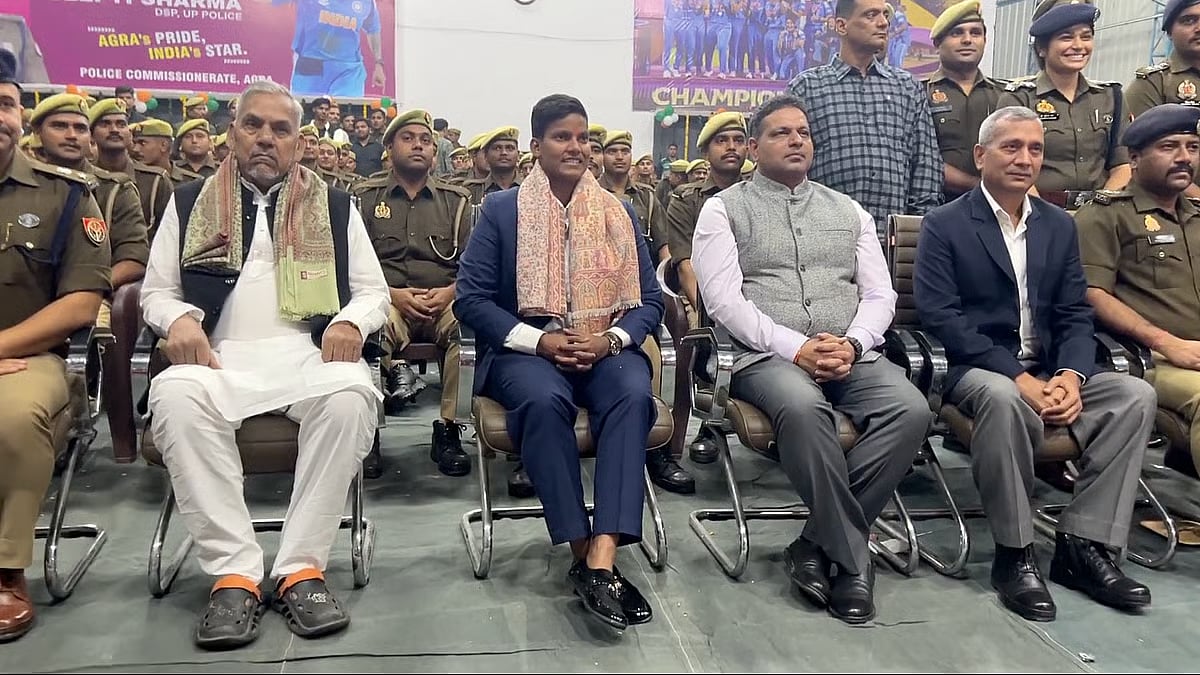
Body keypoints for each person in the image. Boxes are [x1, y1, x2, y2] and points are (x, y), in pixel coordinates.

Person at [139, 81, 389, 650]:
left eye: (280, 129)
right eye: (254, 125)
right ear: (233, 133)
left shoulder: (333, 204)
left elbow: (374, 292)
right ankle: (233, 574)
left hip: (306, 353)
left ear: (298, 143)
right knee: (175, 397)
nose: (265, 139)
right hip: (219, 356)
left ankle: (301, 566)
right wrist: (177, 320)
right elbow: (156, 292)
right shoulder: (188, 200)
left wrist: (352, 323)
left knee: (351, 395)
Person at [693, 95, 930, 624]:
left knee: (911, 410)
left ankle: (815, 544)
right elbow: (724, 302)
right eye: (781, 133)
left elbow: (880, 295)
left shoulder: (848, 210)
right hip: (764, 357)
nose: (797, 140)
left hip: (851, 352)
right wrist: (794, 347)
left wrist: (855, 343)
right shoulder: (723, 208)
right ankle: (852, 562)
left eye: (803, 132)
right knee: (803, 410)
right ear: (753, 147)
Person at [914, 106, 1155, 623]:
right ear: (981, 155)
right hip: (977, 368)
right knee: (1004, 401)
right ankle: (1015, 553)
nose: (1025, 159)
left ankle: (1082, 546)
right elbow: (942, 317)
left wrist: (1071, 375)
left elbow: (1072, 312)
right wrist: (1018, 377)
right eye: (1011, 147)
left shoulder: (1058, 226)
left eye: (1035, 149)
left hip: (1049, 368)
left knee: (1135, 396)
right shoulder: (945, 224)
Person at [454, 94, 663, 631]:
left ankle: (602, 556)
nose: (576, 147)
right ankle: (578, 544)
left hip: (604, 345)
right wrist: (540, 342)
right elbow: (471, 300)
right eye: (561, 137)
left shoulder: (620, 211)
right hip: (527, 348)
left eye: (583, 137)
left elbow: (649, 301)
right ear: (536, 146)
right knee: (544, 401)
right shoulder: (503, 211)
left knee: (633, 395)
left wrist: (612, 339)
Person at [0, 49, 109, 643]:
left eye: (6, 103)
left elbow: (79, 302)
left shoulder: (64, 196)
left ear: (20, 117)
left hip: (26, 359)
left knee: (14, 420)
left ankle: (5, 568)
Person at [1076, 104, 1200, 477]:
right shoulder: (1105, 215)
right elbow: (1093, 295)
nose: (1183, 158)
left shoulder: (1196, 216)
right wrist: (1167, 343)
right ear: (1133, 157)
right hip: (1149, 357)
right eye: (1168, 147)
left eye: (1193, 147)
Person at [353, 109, 473, 479]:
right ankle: (369, 432)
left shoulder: (458, 201)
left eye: (425, 140)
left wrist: (451, 292)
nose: (418, 145)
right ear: (389, 147)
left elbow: (475, 263)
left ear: (434, 153)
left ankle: (449, 430)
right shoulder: (363, 197)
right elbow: (350, 264)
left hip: (445, 301)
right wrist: (392, 294)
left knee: (469, 330)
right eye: (408, 138)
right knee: (368, 333)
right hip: (386, 299)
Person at [787, 0, 942, 237]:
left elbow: (925, 166)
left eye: (885, 16)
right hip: (824, 238)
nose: (883, 23)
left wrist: (916, 234)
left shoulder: (906, 87)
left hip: (893, 242)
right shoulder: (806, 87)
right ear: (841, 26)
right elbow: (790, 168)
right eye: (871, 15)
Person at [600, 129, 691, 494]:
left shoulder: (648, 199)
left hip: (635, 299)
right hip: (592, 304)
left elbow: (663, 251)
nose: (620, 158)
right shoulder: (589, 196)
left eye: (626, 151)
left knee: (652, 355)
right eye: (613, 151)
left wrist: (671, 291)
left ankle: (655, 450)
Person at [997, 0, 1129, 209]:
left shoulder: (1110, 96)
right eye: (1066, 37)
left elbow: (1122, 165)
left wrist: (1100, 211)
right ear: (1042, 48)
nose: (1078, 46)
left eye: (1086, 36)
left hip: (1099, 215)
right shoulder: (1020, 98)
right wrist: (1046, 219)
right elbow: (1010, 167)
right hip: (1036, 212)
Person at [925, 0, 1005, 201]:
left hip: (996, 207)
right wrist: (977, 186)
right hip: (936, 205)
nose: (967, 40)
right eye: (957, 33)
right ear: (937, 43)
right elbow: (921, 160)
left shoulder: (1004, 95)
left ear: (985, 41)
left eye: (975, 33)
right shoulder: (919, 93)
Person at [1124, 0, 1200, 200]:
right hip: (1175, 207)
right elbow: (1137, 156)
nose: (1199, 28)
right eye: (1189, 20)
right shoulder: (1152, 84)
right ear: (1169, 31)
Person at [90, 98, 173, 234]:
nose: (114, 130)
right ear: (91, 135)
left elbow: (170, 234)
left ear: (129, 134)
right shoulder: (82, 179)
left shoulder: (155, 181)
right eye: (105, 124)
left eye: (121, 124)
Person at [272, 0, 387, 97]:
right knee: (307, 112)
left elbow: (373, 30)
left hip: (349, 69)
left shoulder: (366, 2)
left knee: (346, 115)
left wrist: (378, 62)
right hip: (311, 63)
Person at [462, 127, 521, 205]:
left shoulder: (530, 189)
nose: (504, 152)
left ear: (518, 155)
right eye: (497, 148)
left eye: (510, 148)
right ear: (486, 155)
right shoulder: (470, 191)